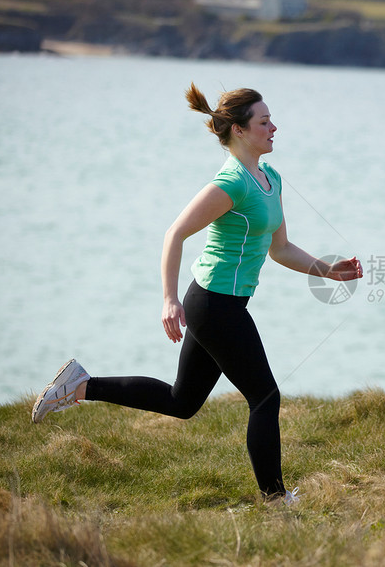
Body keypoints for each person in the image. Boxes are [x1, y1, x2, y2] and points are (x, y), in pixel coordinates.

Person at [31, 83, 363, 506]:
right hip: (212, 305)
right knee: (265, 396)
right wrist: (169, 299)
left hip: (225, 303)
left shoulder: (271, 179)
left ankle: (79, 386)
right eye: (264, 122)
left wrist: (326, 270)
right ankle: (276, 499)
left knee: (182, 401)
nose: (274, 128)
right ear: (241, 131)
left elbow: (279, 248)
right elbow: (175, 233)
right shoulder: (230, 183)